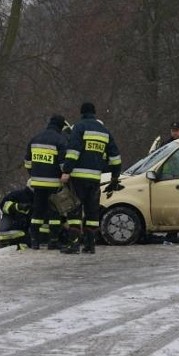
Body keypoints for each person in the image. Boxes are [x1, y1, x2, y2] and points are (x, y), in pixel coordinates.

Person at [60, 102, 122, 254]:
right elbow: (115, 158)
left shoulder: (79, 127)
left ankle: (74, 245)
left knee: (75, 210)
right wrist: (115, 177)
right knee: (92, 212)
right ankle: (90, 245)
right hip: (95, 178)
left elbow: (73, 150)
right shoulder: (104, 131)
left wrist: (66, 170)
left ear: (82, 113)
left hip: (78, 177)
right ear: (95, 113)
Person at [24, 114, 68, 250]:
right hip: (54, 184)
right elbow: (63, 165)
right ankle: (53, 241)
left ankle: (35, 241)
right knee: (54, 213)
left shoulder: (35, 138)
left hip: (37, 183)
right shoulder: (60, 140)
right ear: (61, 126)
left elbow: (27, 162)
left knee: (37, 212)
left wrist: (34, 174)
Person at [0, 183, 33, 249]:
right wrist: (18, 207)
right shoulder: (17, 195)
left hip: (28, 241)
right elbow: (3, 205)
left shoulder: (43, 201)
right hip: (12, 241)